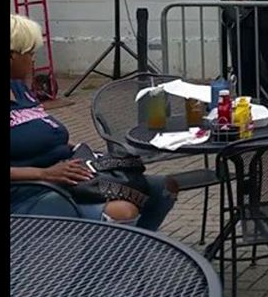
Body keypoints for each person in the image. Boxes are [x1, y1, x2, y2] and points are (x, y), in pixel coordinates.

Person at [9, 14, 177, 229]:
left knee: (164, 188)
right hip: (29, 191)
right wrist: (46, 174)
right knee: (123, 211)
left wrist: (90, 156)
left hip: (67, 176)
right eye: (29, 53)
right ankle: (107, 259)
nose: (33, 59)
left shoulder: (20, 90)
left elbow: (43, 136)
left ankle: (125, 257)